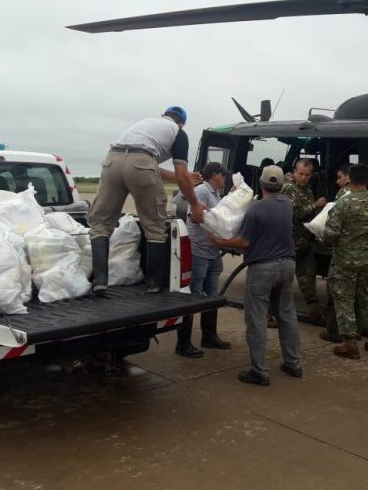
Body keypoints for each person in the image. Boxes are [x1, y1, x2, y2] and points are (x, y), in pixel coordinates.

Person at [88, 107, 206, 295]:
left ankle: (100, 281)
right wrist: (195, 204)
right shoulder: (178, 132)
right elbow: (146, 167)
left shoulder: (146, 125)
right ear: (182, 122)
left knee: (100, 224)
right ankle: (153, 284)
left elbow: (144, 165)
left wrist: (180, 177)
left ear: (164, 116)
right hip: (142, 162)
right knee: (155, 227)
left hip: (112, 160)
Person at [210, 165, 302, 386]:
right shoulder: (287, 205)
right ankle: (293, 363)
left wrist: (218, 241)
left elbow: (243, 242)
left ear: (261, 184)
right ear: (281, 185)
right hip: (287, 265)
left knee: (257, 318)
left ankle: (259, 371)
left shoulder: (255, 209)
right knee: (286, 315)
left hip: (263, 268)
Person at [323, 163, 368, 360]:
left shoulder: (343, 202)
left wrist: (324, 238)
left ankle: (350, 344)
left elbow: (331, 233)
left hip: (346, 260)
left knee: (344, 300)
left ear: (349, 179)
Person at [175, 162, 233, 358]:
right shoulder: (200, 191)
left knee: (213, 296)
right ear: (215, 175)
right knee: (193, 296)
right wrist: (217, 220)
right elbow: (194, 217)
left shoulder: (216, 194)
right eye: (224, 175)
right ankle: (183, 344)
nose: (225, 178)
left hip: (213, 252)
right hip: (199, 251)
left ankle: (209, 336)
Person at [282, 159, 326, 324]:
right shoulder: (289, 188)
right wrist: (316, 205)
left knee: (308, 274)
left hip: (303, 242)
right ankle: (269, 313)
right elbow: (295, 213)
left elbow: (309, 215)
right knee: (282, 280)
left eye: (307, 175)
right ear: (295, 172)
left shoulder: (306, 189)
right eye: (301, 174)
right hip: (289, 243)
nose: (304, 177)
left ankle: (314, 309)